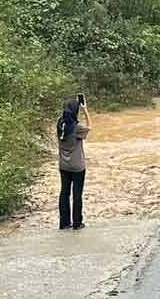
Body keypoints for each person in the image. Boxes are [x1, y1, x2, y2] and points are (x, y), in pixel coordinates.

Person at [57, 96, 92, 230]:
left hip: (63, 165)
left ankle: (64, 223)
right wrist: (85, 110)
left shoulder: (60, 123)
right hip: (77, 167)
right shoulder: (77, 128)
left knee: (64, 193)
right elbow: (90, 127)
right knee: (77, 195)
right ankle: (77, 223)